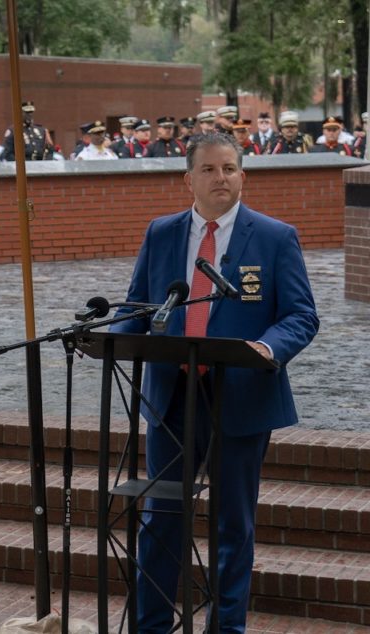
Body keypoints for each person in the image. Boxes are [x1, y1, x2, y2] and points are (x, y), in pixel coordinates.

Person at [111, 133, 318, 633]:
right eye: (208, 169)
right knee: (162, 518)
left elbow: (300, 316)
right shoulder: (161, 233)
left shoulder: (274, 236)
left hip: (241, 398)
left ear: (243, 175)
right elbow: (136, 306)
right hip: (171, 398)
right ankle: (152, 626)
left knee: (232, 523)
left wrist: (267, 349)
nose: (220, 177)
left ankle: (226, 629)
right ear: (188, 179)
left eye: (229, 168)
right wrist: (115, 340)